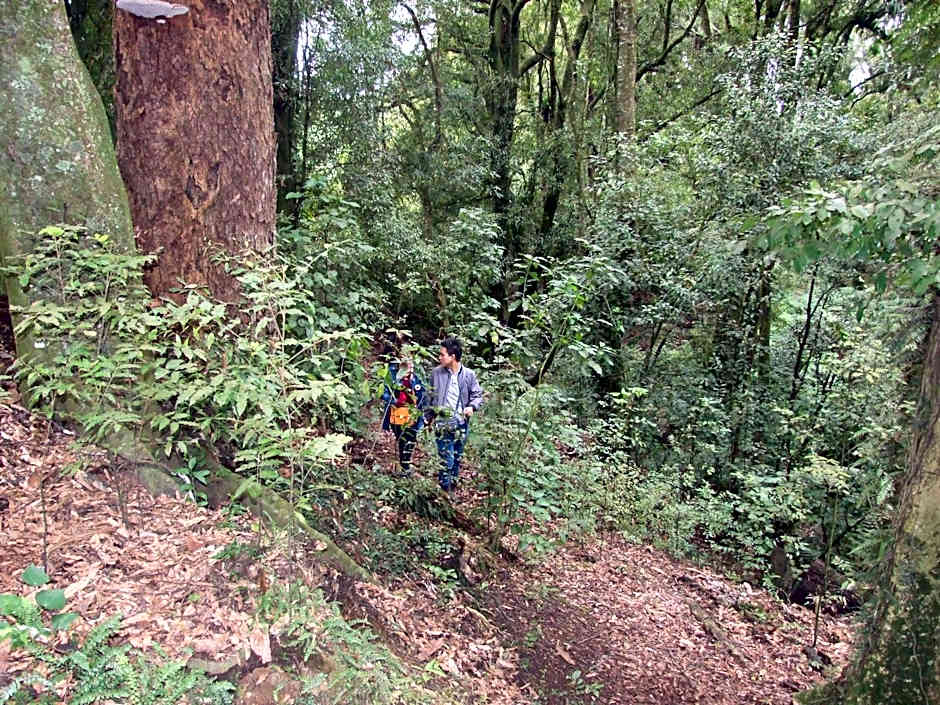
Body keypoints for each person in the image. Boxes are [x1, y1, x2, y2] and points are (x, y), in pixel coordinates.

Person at [428, 337, 483, 492]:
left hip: (461, 423)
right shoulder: (436, 373)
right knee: (447, 459)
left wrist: (472, 406)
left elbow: (477, 395)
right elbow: (430, 397)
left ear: (452, 357)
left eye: (442, 354)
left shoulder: (468, 375)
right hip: (443, 422)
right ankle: (445, 490)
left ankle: (452, 486)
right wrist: (427, 418)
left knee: (457, 457)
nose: (439, 357)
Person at [380, 357, 428, 476]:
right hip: (398, 415)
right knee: (402, 439)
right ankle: (404, 465)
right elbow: (385, 394)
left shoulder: (416, 379)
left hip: (413, 414)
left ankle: (406, 463)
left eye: (411, 367)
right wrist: (394, 400)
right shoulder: (394, 379)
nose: (409, 369)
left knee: (411, 438)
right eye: (407, 367)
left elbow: (423, 394)